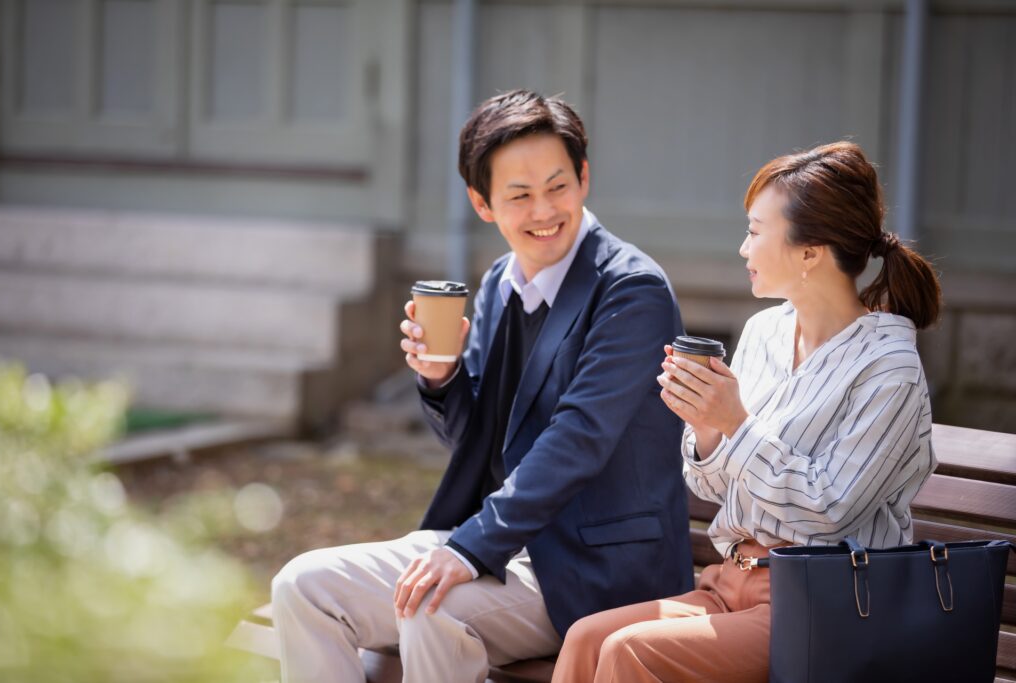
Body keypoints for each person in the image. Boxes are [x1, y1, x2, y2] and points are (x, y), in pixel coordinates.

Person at [270, 90, 695, 683]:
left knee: (429, 610)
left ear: (584, 178)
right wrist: (440, 379)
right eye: (519, 195)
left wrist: (470, 548)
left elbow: (580, 437)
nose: (543, 210)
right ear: (482, 202)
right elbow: (479, 440)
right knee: (303, 587)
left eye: (558, 186)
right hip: (504, 547)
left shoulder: (631, 291)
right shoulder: (501, 281)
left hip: (595, 569)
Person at [551, 140, 942, 683]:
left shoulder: (890, 368)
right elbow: (712, 486)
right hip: (731, 581)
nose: (743, 248)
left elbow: (830, 511)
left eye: (756, 231)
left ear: (810, 253)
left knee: (630, 653)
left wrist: (736, 424)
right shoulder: (764, 333)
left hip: (827, 608)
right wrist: (706, 427)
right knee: (587, 638)